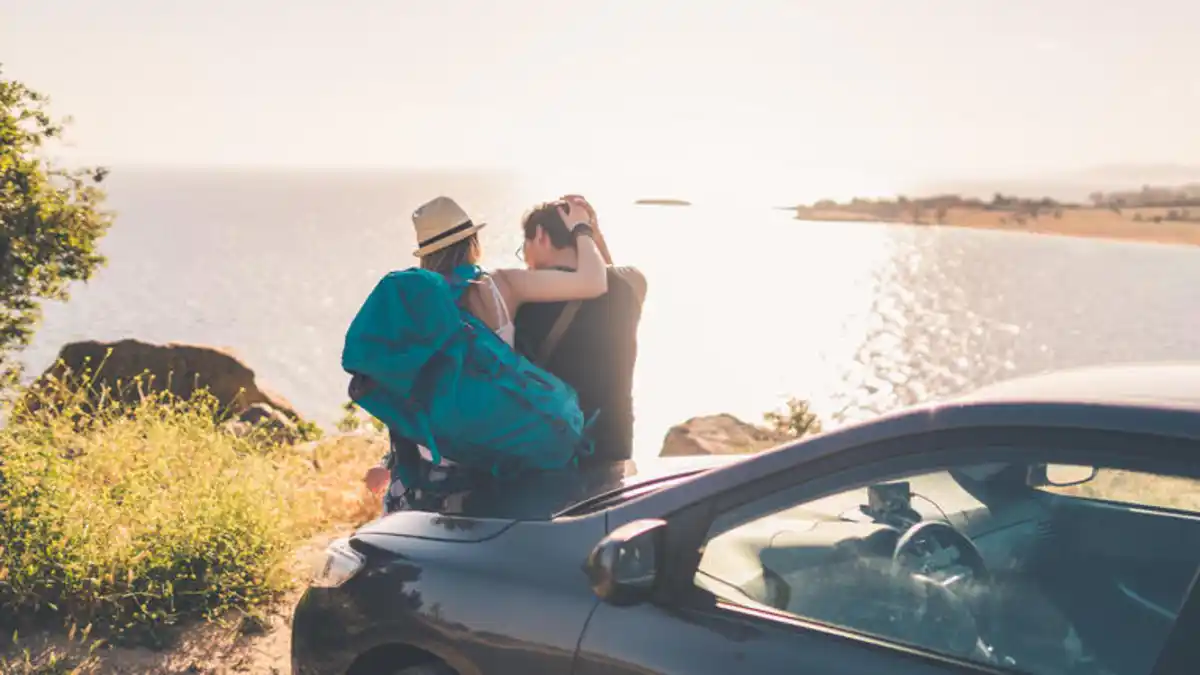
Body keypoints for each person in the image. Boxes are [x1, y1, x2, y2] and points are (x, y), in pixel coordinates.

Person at [363, 195, 607, 505]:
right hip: (498, 441)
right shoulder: (501, 284)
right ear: (472, 242)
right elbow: (595, 281)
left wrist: (391, 460)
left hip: (437, 451)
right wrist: (583, 228)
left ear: (425, 255)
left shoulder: (414, 305)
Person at [514, 196, 647, 466]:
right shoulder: (630, 284)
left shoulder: (523, 299)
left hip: (551, 450)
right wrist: (590, 233)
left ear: (540, 236)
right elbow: (611, 276)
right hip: (615, 444)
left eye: (524, 246)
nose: (525, 258)